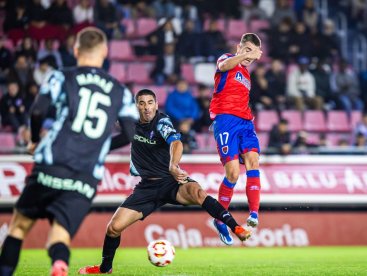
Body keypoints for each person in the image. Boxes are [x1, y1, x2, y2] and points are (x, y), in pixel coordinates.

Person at [0, 27, 139, 276]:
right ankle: (59, 264)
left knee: (18, 228)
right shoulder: (121, 91)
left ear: (75, 50)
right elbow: (130, 133)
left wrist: (33, 140)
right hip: (85, 175)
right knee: (60, 233)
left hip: (52, 163)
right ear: (105, 52)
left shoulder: (62, 76)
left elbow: (38, 111)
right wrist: (103, 146)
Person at [78, 89, 251, 274]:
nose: (146, 108)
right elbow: (113, 122)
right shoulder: (129, 121)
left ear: (156, 104)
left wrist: (173, 166)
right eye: (142, 103)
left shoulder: (161, 122)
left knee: (198, 193)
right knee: (113, 228)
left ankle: (236, 227)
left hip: (171, 181)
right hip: (147, 187)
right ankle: (105, 268)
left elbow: (176, 143)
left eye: (150, 102)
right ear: (137, 106)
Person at [209, 33, 263, 246]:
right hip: (225, 122)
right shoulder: (227, 59)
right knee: (232, 173)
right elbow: (223, 67)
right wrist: (245, 55)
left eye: (253, 51)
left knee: (253, 162)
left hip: (246, 123)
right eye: (246, 49)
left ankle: (254, 214)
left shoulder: (247, 75)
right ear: (239, 47)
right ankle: (220, 219)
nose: (249, 55)